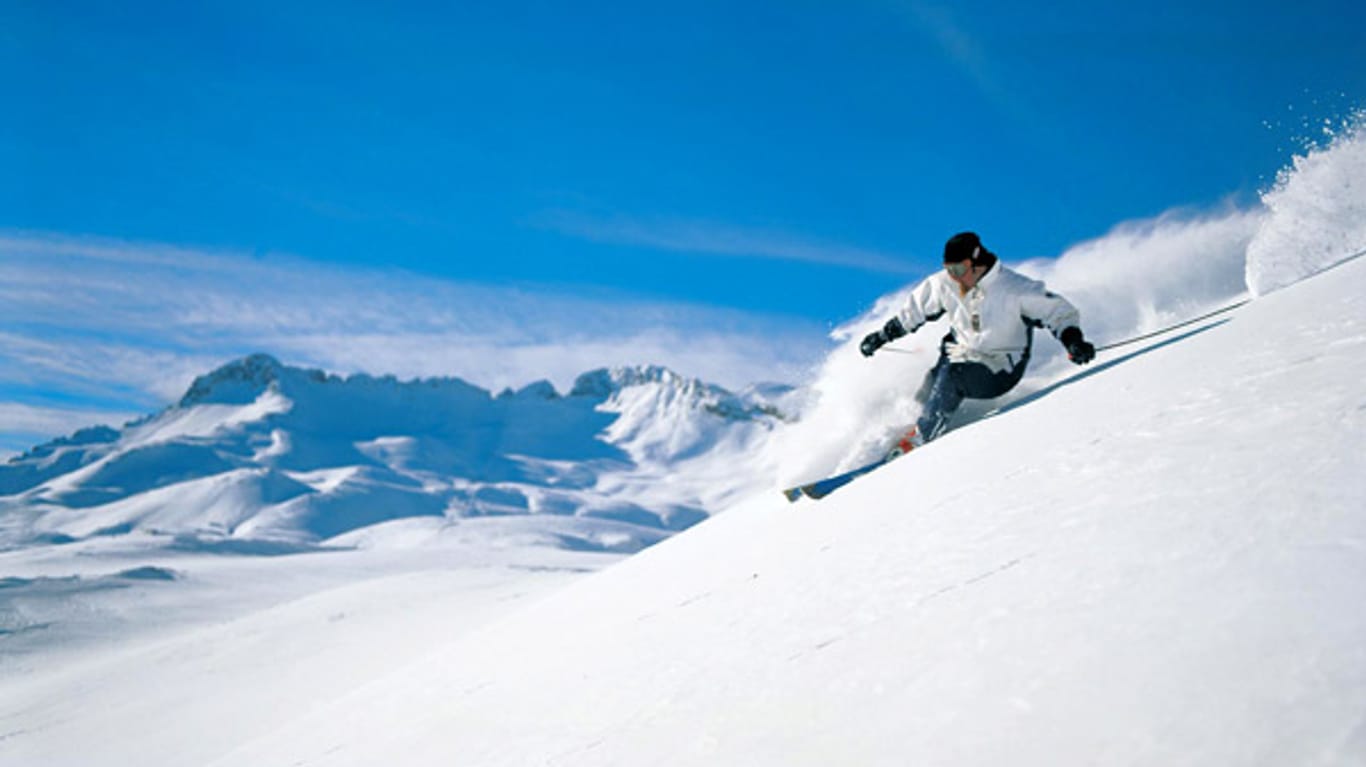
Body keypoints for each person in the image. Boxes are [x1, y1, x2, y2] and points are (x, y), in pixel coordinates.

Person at [859, 231, 1096, 456]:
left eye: (959, 268)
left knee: (953, 376)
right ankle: (918, 424)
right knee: (932, 383)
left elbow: (1058, 312)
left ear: (976, 261)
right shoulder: (945, 283)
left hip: (1000, 367)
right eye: (948, 269)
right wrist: (881, 336)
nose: (954, 276)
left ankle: (920, 438)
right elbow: (914, 312)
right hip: (960, 352)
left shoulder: (1015, 289)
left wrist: (1073, 341)